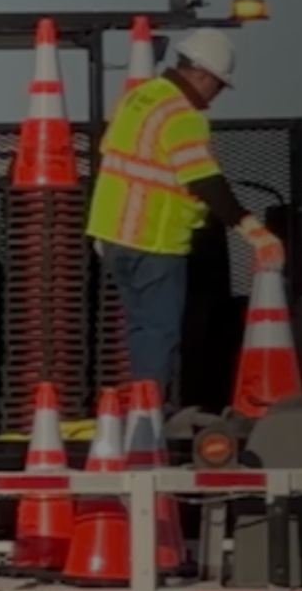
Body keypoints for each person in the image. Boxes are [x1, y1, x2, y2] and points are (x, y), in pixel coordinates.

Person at [86, 28, 284, 406]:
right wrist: (252, 229)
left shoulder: (137, 99)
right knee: (159, 333)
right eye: (219, 86)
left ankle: (139, 411)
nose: (216, 95)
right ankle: (147, 420)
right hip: (153, 239)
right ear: (203, 75)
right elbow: (204, 180)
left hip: (113, 236)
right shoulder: (182, 115)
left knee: (141, 330)